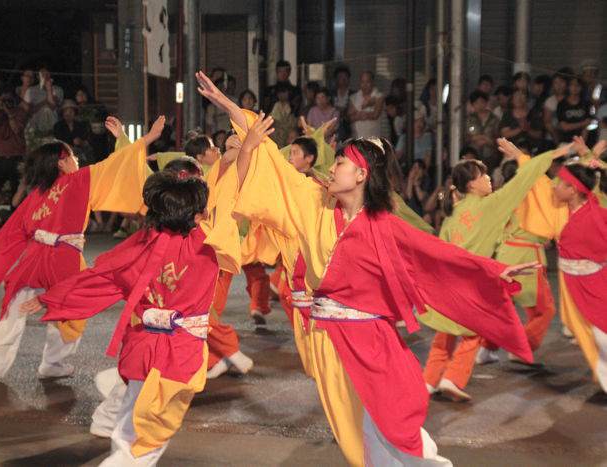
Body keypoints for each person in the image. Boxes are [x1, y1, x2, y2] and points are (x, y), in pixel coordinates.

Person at [197, 70, 537, 466]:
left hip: (370, 341)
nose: (332, 167)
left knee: (381, 431)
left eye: (341, 161)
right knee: (358, 437)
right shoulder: (310, 203)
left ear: (361, 175)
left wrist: (491, 272)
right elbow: (270, 163)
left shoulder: (384, 225)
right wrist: (234, 112)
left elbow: (438, 257)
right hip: (327, 339)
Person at [21, 143, 241, 466]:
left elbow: (100, 278)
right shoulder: (208, 244)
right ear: (199, 215)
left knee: (129, 425)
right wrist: (243, 152)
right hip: (179, 355)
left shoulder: (142, 244)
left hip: (143, 348)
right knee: (144, 437)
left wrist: (51, 299)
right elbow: (232, 192)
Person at [0, 116, 165, 383]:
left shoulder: (39, 193)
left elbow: (13, 231)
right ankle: (52, 363)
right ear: (60, 162)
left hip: (38, 257)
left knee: (15, 308)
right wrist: (147, 138)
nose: (77, 160)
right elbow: (116, 165)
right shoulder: (79, 181)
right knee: (68, 312)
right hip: (63, 257)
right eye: (72, 156)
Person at [423, 139, 573, 401]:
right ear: (471, 184)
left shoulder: (452, 215)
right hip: (474, 283)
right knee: (474, 331)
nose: (489, 180)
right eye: (483, 176)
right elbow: (524, 179)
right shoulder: (491, 206)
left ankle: (428, 380)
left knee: (445, 333)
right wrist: (544, 154)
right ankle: (452, 378)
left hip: (449, 285)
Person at [553, 161, 607, 394]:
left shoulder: (593, 217)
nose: (554, 188)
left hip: (595, 283)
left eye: (559, 184)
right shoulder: (577, 209)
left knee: (602, 336)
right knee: (596, 337)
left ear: (573, 189)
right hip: (577, 283)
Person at [0, 89, 28, 194]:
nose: (7, 102)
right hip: (0, 157)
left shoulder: (19, 112)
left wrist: (9, 113)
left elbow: (17, 129)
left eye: (9, 99)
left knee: (17, 189)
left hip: (17, 156)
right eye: (4, 100)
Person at [22, 66, 63, 151]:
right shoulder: (31, 90)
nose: (45, 77)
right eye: (42, 74)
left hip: (52, 129)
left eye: (47, 74)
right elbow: (28, 111)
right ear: (38, 76)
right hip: (35, 129)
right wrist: (45, 101)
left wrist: (49, 90)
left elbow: (52, 106)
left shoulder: (57, 89)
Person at [54, 99, 94, 166]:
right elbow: (58, 141)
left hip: (80, 152)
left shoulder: (80, 125)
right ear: (62, 113)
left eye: (71, 111)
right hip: (64, 152)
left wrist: (81, 142)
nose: (68, 114)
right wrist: (70, 148)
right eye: (66, 111)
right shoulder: (58, 126)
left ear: (74, 113)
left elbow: (86, 140)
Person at [466, 90, 500, 163]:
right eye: (476, 103)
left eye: (482, 102)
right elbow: (466, 136)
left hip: (491, 156)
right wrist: (480, 138)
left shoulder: (494, 119)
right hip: (474, 155)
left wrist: (489, 141)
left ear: (486, 103)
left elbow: (498, 137)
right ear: (472, 105)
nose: (479, 105)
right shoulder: (469, 119)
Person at [348, 71, 384, 139]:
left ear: (373, 82)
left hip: (373, 140)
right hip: (357, 139)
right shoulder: (353, 97)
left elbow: (375, 115)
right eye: (362, 82)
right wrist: (367, 114)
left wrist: (358, 114)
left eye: (368, 82)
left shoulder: (379, 96)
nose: (365, 85)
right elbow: (350, 117)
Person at [556, 77, 591, 144]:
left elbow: (587, 126)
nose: (575, 87)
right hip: (565, 141)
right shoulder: (562, 104)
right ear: (568, 87)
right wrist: (582, 123)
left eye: (577, 85)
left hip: (582, 142)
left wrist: (581, 144)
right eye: (572, 85)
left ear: (581, 87)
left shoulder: (586, 104)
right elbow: (564, 127)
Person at [543, 73, 568, 144]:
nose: (559, 85)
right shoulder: (550, 101)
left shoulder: (571, 99)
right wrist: (556, 138)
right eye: (556, 83)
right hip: (552, 139)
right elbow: (547, 122)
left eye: (561, 82)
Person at [331, 65, 353, 141]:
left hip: (349, 128)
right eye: (340, 77)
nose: (343, 80)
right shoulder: (331, 94)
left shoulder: (353, 94)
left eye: (345, 77)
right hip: (333, 128)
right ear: (336, 79)